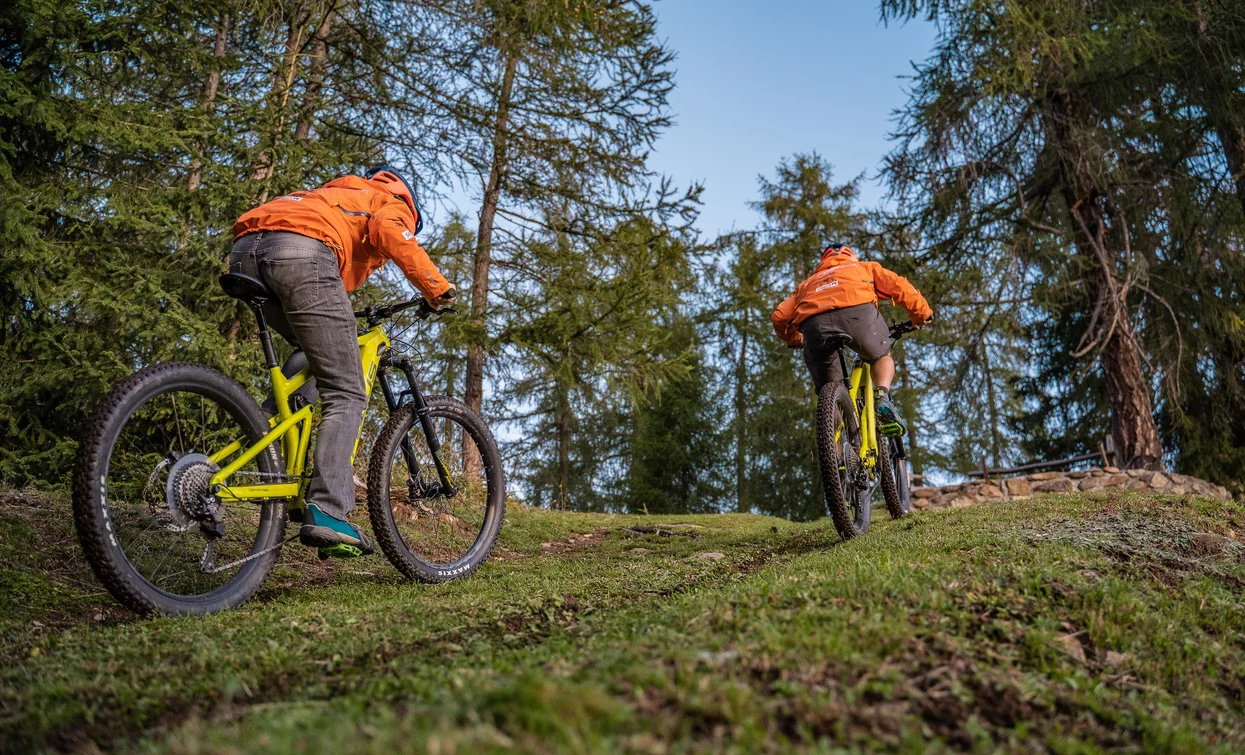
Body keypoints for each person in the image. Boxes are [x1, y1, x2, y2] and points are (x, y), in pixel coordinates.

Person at [229, 167, 456, 556]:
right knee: (347, 389)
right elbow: (390, 231)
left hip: (244, 251)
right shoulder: (388, 202)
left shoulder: (333, 196)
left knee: (313, 359)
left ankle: (259, 454)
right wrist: (437, 289)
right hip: (301, 251)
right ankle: (329, 510)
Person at [771, 243, 932, 436]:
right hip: (858, 316)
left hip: (814, 326)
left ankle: (836, 457)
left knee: (830, 395)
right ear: (851, 256)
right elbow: (900, 286)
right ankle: (882, 396)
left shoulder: (807, 284)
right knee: (880, 356)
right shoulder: (864, 267)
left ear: (824, 260)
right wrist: (921, 316)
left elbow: (779, 316)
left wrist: (796, 339)